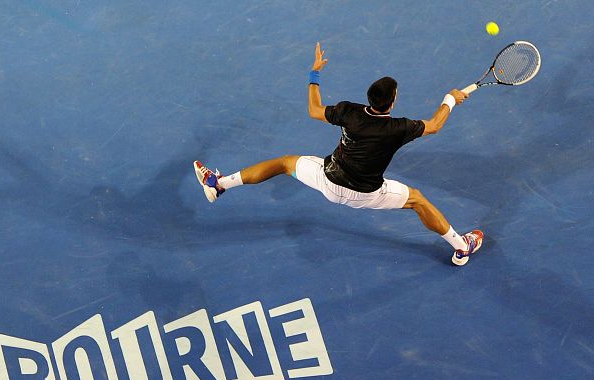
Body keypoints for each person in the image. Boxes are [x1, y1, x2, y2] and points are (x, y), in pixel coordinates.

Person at [193, 42, 483, 266]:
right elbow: (433, 126)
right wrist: (450, 99)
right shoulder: (398, 128)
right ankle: (460, 246)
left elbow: (314, 110)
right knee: (418, 200)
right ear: (392, 102)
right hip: (367, 194)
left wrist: (315, 72)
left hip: (327, 180)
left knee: (283, 164)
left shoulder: (349, 111)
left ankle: (219, 185)